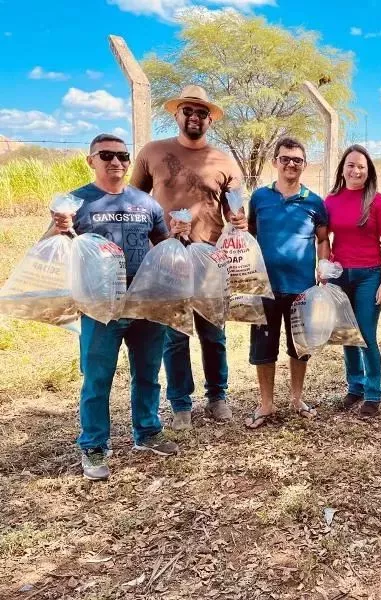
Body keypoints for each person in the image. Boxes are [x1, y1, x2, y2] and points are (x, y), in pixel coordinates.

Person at [46, 134, 188, 481]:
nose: (116, 162)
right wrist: (60, 230)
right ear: (91, 160)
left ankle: (147, 431)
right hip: (100, 307)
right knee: (98, 378)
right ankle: (94, 445)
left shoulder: (146, 202)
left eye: (123, 156)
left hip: (145, 303)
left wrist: (178, 235)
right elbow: (48, 246)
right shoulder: (76, 202)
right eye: (107, 155)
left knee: (148, 373)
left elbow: (162, 248)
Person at [130, 85, 247, 430]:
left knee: (214, 332)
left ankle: (217, 397)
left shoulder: (223, 161)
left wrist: (239, 219)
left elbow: (234, 209)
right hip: (166, 257)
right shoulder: (153, 152)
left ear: (210, 119)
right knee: (175, 335)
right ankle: (181, 403)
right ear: (177, 114)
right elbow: (134, 203)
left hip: (210, 257)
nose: (195, 117)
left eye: (202, 112)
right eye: (188, 111)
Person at [243, 138, 330, 428]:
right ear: (275, 162)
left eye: (297, 160)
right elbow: (250, 234)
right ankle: (266, 404)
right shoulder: (259, 198)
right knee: (263, 348)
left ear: (304, 165)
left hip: (301, 289)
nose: (291, 164)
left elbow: (322, 239)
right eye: (285, 159)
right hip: (264, 288)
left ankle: (296, 398)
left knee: (299, 347)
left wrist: (323, 266)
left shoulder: (314, 202)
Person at [324, 144, 381, 418]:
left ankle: (373, 391)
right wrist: (324, 267)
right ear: (342, 169)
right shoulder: (331, 200)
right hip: (340, 276)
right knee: (347, 333)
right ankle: (354, 386)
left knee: (365, 333)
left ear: (369, 171)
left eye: (361, 166)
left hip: (370, 275)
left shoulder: (378, 202)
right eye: (351, 165)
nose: (356, 171)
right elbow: (324, 238)